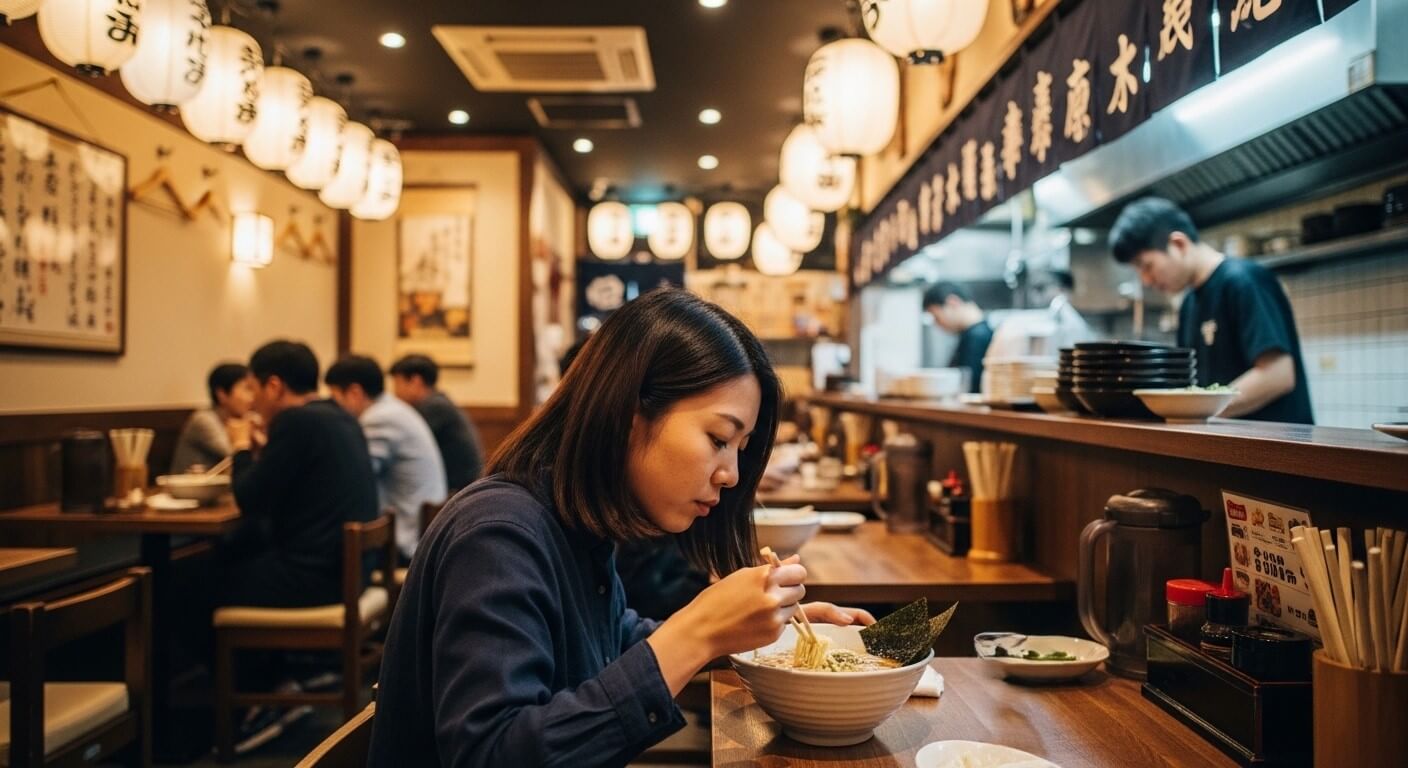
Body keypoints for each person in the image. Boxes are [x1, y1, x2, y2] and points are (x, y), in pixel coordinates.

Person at [368, 289, 874, 767]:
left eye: (741, 450)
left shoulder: (573, 520)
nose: (733, 475)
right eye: (720, 438)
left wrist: (748, 633)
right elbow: (493, 753)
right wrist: (695, 633)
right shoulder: (498, 534)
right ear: (630, 413)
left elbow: (610, 637)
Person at [1109, 197, 1313, 423]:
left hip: (1274, 451)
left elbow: (1278, 375)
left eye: (1147, 266)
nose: (1146, 280)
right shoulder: (1189, 304)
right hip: (1227, 447)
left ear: (1178, 244)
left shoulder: (1243, 281)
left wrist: (1198, 410)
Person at [224, 341, 379, 608]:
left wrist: (240, 448)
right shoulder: (340, 417)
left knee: (192, 580)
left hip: (316, 579)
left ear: (274, 386)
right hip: (352, 573)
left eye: (253, 388)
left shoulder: (296, 421)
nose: (252, 399)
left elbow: (249, 499)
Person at [327, 355, 448, 560]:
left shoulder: (379, 419)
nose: (334, 408)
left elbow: (356, 476)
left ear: (355, 393)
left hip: (406, 539)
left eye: (335, 398)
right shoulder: (393, 410)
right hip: (419, 525)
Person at [389, 354, 485, 492]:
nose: (395, 392)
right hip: (459, 489)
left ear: (416, 381)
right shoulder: (438, 403)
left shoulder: (434, 407)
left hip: (456, 492)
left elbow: (400, 443)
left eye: (398, 384)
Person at [170, 362, 256, 474]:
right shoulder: (203, 420)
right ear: (222, 394)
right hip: (187, 489)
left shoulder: (241, 419)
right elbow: (236, 454)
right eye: (247, 389)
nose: (252, 397)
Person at [922, 281, 993, 393]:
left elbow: (969, 389)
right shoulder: (972, 334)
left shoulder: (977, 337)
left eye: (936, 316)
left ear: (953, 302)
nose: (937, 324)